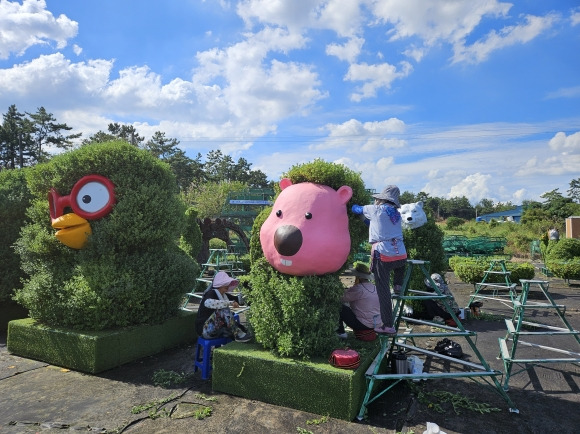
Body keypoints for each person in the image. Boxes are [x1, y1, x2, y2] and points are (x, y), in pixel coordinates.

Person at [351, 185, 407, 335]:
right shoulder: (396, 214)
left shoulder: (375, 210)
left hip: (383, 255)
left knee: (383, 293)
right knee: (400, 266)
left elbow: (355, 209)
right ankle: (398, 285)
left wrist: (353, 204)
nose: (375, 201)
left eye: (376, 199)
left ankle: (388, 325)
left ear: (381, 200)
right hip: (401, 254)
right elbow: (376, 226)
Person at [194, 271, 251, 342]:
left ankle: (240, 333)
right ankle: (237, 334)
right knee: (223, 310)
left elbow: (238, 300)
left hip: (216, 330)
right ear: (219, 284)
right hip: (204, 331)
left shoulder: (224, 295)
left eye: (227, 283)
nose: (227, 285)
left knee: (229, 314)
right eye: (225, 283)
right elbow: (208, 303)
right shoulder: (211, 293)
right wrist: (230, 303)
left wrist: (248, 294)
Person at [337, 264, 379, 341]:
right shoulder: (375, 288)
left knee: (340, 307)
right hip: (377, 323)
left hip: (363, 324)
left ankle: (341, 332)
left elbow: (341, 298)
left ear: (357, 278)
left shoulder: (358, 289)